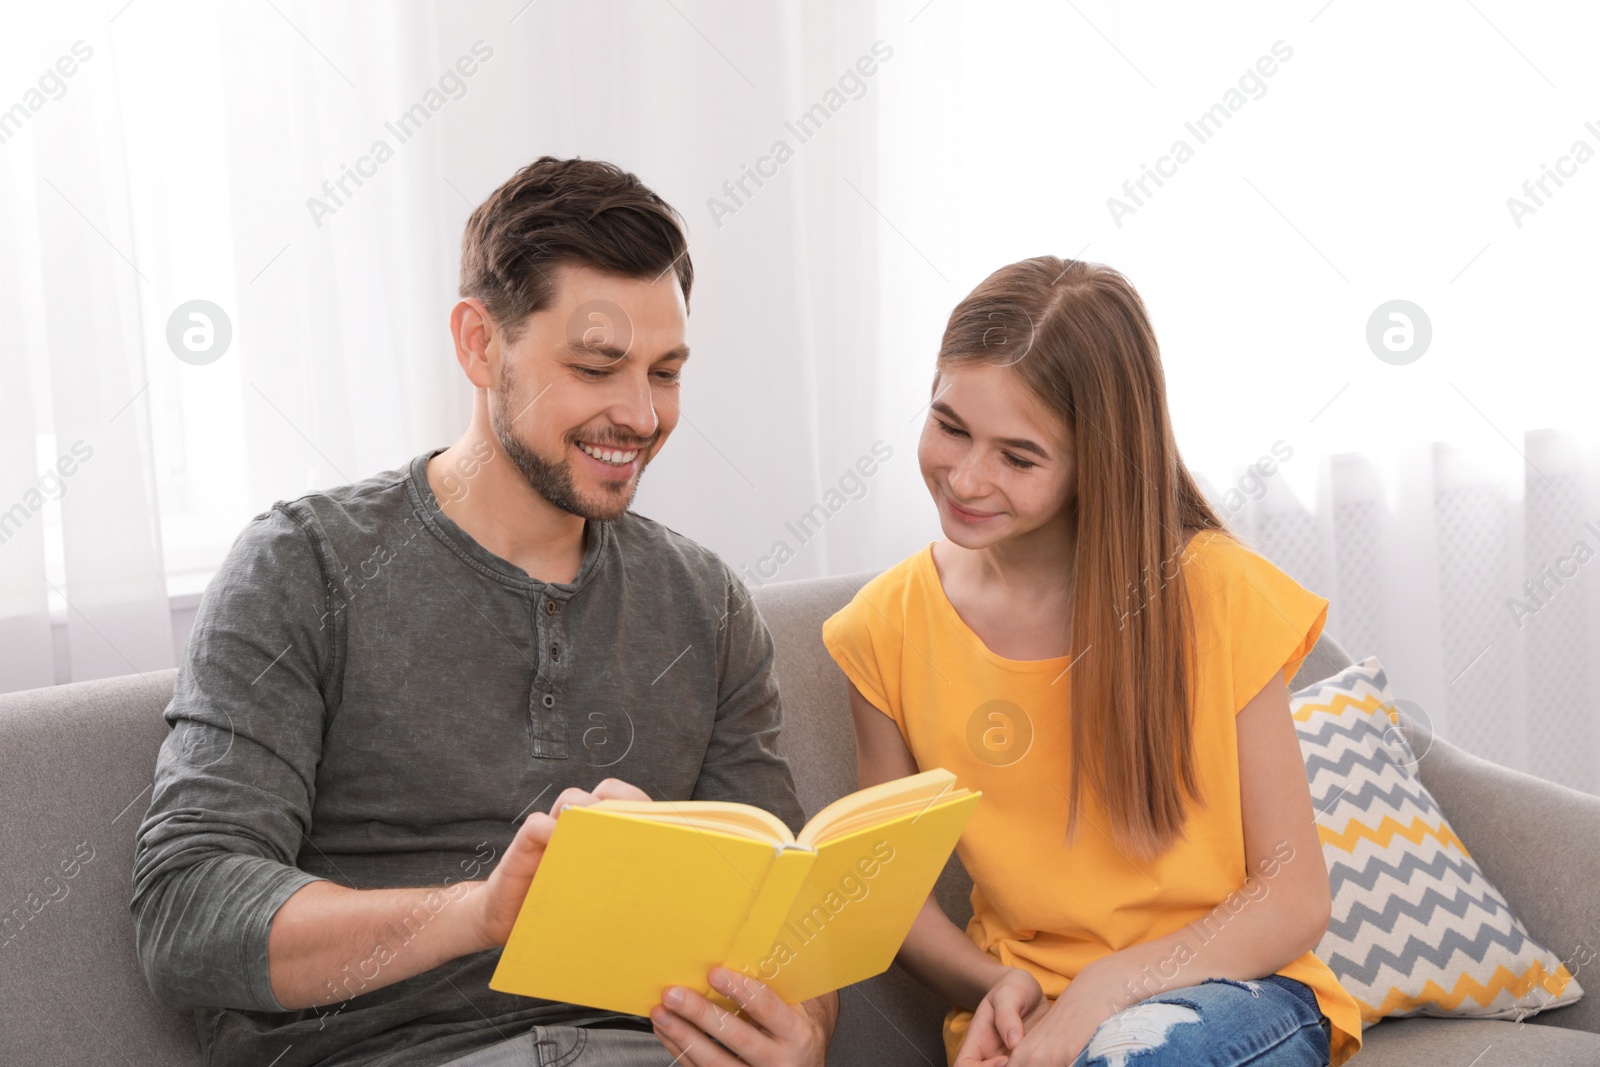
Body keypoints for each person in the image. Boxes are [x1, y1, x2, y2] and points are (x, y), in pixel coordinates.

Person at [132, 157, 836, 1067]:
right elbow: (185, 911)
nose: (641, 412)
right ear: (478, 344)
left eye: (665, 372)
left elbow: (787, 926)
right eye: (596, 366)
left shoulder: (704, 603)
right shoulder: (304, 564)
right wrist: (482, 913)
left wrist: (802, 1036)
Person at [821, 257, 1364, 1067]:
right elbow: (892, 896)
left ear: (1097, 463)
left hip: (1230, 996)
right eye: (950, 425)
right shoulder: (882, 628)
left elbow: (1291, 896)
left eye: (1019, 456)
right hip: (1027, 1026)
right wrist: (991, 985)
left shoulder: (1214, 591)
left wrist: (1104, 990)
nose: (966, 476)